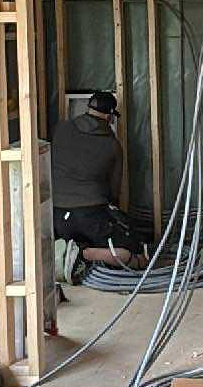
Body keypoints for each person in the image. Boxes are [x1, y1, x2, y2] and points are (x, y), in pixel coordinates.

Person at [51, 90, 146, 274]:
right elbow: (114, 193)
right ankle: (83, 254)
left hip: (57, 218)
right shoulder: (113, 146)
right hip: (91, 217)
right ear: (110, 117)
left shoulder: (61, 128)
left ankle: (68, 249)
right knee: (138, 256)